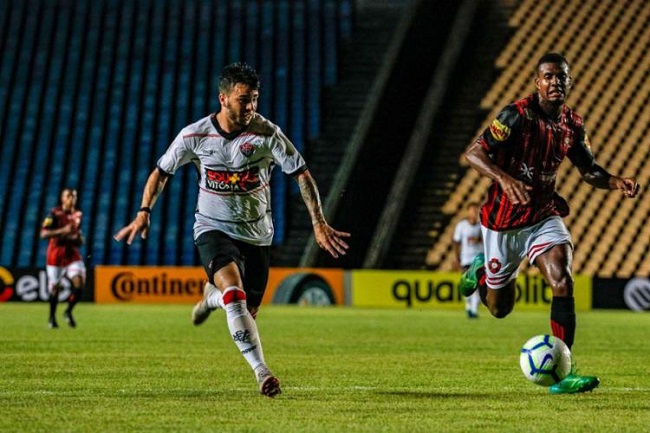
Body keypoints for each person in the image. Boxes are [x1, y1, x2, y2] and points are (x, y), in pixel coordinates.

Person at [114, 62, 350, 398]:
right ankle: (262, 373)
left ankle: (210, 299)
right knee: (235, 295)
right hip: (212, 228)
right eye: (243, 99)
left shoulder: (268, 134)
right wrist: (143, 211)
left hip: (257, 234)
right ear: (223, 98)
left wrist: (318, 222)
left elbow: (301, 173)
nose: (251, 106)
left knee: (245, 309)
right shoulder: (194, 135)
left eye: (254, 98)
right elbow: (161, 171)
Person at [459, 52, 639, 394]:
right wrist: (504, 179)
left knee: (563, 279)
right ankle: (482, 272)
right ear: (537, 81)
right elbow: (474, 153)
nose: (555, 81)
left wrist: (615, 181)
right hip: (504, 221)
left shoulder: (573, 124)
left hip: (543, 214)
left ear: (570, 83)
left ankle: (563, 371)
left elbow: (589, 171)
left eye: (561, 77)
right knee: (499, 309)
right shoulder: (514, 115)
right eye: (548, 76)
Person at [40, 188, 86, 329]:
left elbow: (79, 236)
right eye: (68, 195)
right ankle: (52, 318)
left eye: (74, 195)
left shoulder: (78, 214)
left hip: (72, 253)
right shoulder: (54, 213)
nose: (71, 198)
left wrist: (79, 239)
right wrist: (62, 231)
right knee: (55, 288)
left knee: (80, 282)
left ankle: (68, 311)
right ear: (62, 198)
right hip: (56, 255)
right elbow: (43, 234)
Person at [453, 202, 482, 319]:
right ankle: (469, 305)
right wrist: (457, 258)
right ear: (468, 212)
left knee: (478, 286)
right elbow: (456, 242)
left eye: (476, 210)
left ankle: (473, 311)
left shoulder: (482, 226)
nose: (474, 212)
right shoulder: (462, 226)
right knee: (468, 286)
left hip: (479, 259)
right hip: (466, 259)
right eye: (472, 210)